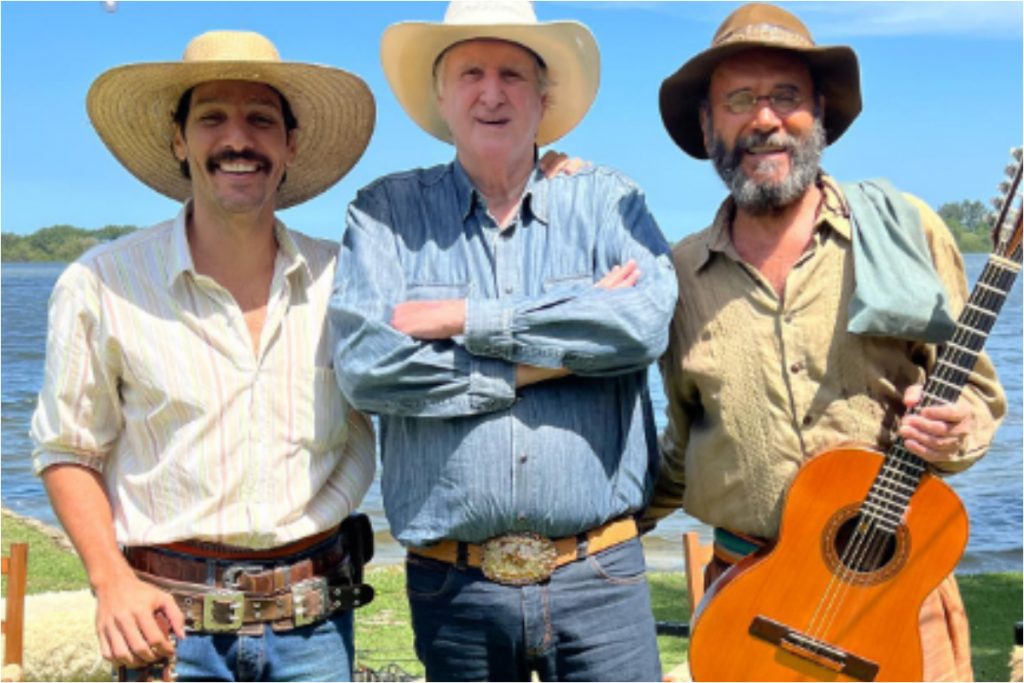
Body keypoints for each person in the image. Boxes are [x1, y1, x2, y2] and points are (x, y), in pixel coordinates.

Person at [644, 3, 1007, 681]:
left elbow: (980, 396)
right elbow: (680, 444)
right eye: (739, 100)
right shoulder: (678, 279)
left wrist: (955, 431)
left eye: (786, 96)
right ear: (706, 123)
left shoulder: (908, 233)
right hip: (750, 603)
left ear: (821, 114)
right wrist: (589, 533)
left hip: (895, 599)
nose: (764, 119)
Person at [330, 1, 677, 680]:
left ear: (544, 96)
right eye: (470, 73)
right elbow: (368, 369)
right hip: (453, 585)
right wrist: (543, 361)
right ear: (440, 94)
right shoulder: (385, 212)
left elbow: (642, 325)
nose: (492, 93)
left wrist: (461, 315)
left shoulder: (608, 200)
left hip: (600, 572)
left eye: (513, 74)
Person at [31, 30, 378, 682]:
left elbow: (406, 389)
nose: (237, 139)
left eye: (261, 120)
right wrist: (110, 582)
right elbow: (68, 450)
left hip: (317, 622)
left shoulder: (349, 280)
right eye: (212, 117)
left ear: (291, 144)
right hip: (166, 625)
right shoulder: (101, 282)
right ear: (178, 139)